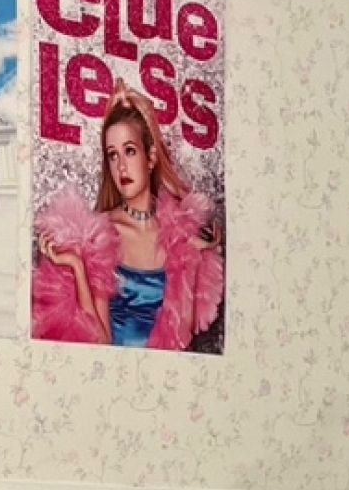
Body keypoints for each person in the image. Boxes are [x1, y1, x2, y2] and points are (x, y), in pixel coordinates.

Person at [34, 86, 222, 349]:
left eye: (130, 151)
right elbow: (99, 340)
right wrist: (77, 266)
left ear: (151, 157)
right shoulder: (101, 234)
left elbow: (182, 338)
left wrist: (191, 255)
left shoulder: (178, 235)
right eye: (113, 155)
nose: (121, 166)